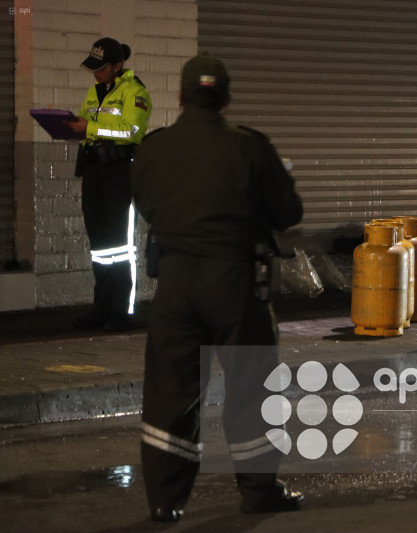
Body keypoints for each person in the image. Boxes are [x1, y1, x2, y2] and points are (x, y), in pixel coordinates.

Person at [131, 54, 304, 520]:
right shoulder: (250, 147)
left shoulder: (154, 148)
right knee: (250, 387)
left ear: (182, 97)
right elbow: (288, 213)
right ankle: (257, 492)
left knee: (171, 392)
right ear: (225, 98)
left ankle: (166, 501)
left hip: (175, 282)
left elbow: (146, 205)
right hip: (235, 282)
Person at [66, 37, 151, 331]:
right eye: (93, 68)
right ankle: (101, 309)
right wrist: (74, 125)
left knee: (120, 245)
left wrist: (88, 127)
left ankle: (121, 312)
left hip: (119, 173)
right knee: (100, 246)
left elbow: (131, 130)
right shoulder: (95, 91)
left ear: (117, 66)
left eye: (101, 68)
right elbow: (90, 123)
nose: (95, 73)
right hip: (94, 171)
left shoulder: (135, 92)